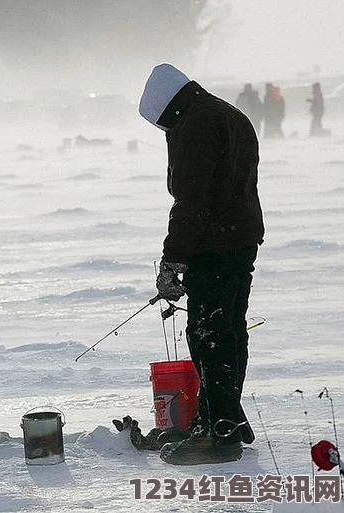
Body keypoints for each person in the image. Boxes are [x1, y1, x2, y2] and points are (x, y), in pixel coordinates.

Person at [138, 64, 264, 465]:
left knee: (210, 337)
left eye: (164, 126)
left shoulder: (196, 125)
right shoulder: (227, 113)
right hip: (239, 239)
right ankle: (224, 418)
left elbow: (191, 201)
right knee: (228, 331)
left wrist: (174, 258)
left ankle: (218, 434)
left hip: (215, 246)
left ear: (169, 108)